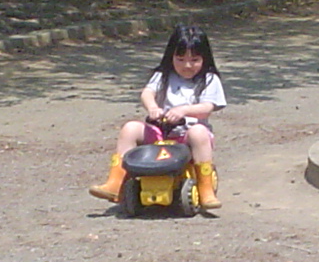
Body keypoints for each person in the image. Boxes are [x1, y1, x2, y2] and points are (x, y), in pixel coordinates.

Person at [89, 24, 227, 209]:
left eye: (194, 60)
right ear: (171, 56)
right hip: (160, 131)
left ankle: (206, 189)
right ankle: (116, 181)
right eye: (180, 59)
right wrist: (153, 107)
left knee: (199, 132)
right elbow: (147, 93)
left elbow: (207, 108)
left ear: (204, 58)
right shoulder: (163, 75)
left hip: (187, 135)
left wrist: (184, 110)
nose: (187, 65)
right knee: (130, 128)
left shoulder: (209, 79)